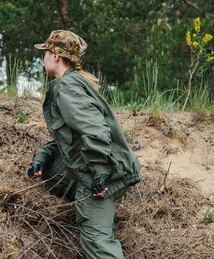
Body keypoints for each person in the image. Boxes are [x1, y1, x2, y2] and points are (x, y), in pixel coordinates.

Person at [28, 30, 141, 259]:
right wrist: (41, 157)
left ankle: (97, 218)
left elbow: (93, 129)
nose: (44, 58)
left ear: (56, 56)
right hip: (99, 167)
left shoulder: (67, 87)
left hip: (106, 173)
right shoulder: (73, 83)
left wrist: (100, 173)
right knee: (51, 170)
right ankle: (100, 216)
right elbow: (71, 139)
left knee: (97, 243)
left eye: (46, 53)